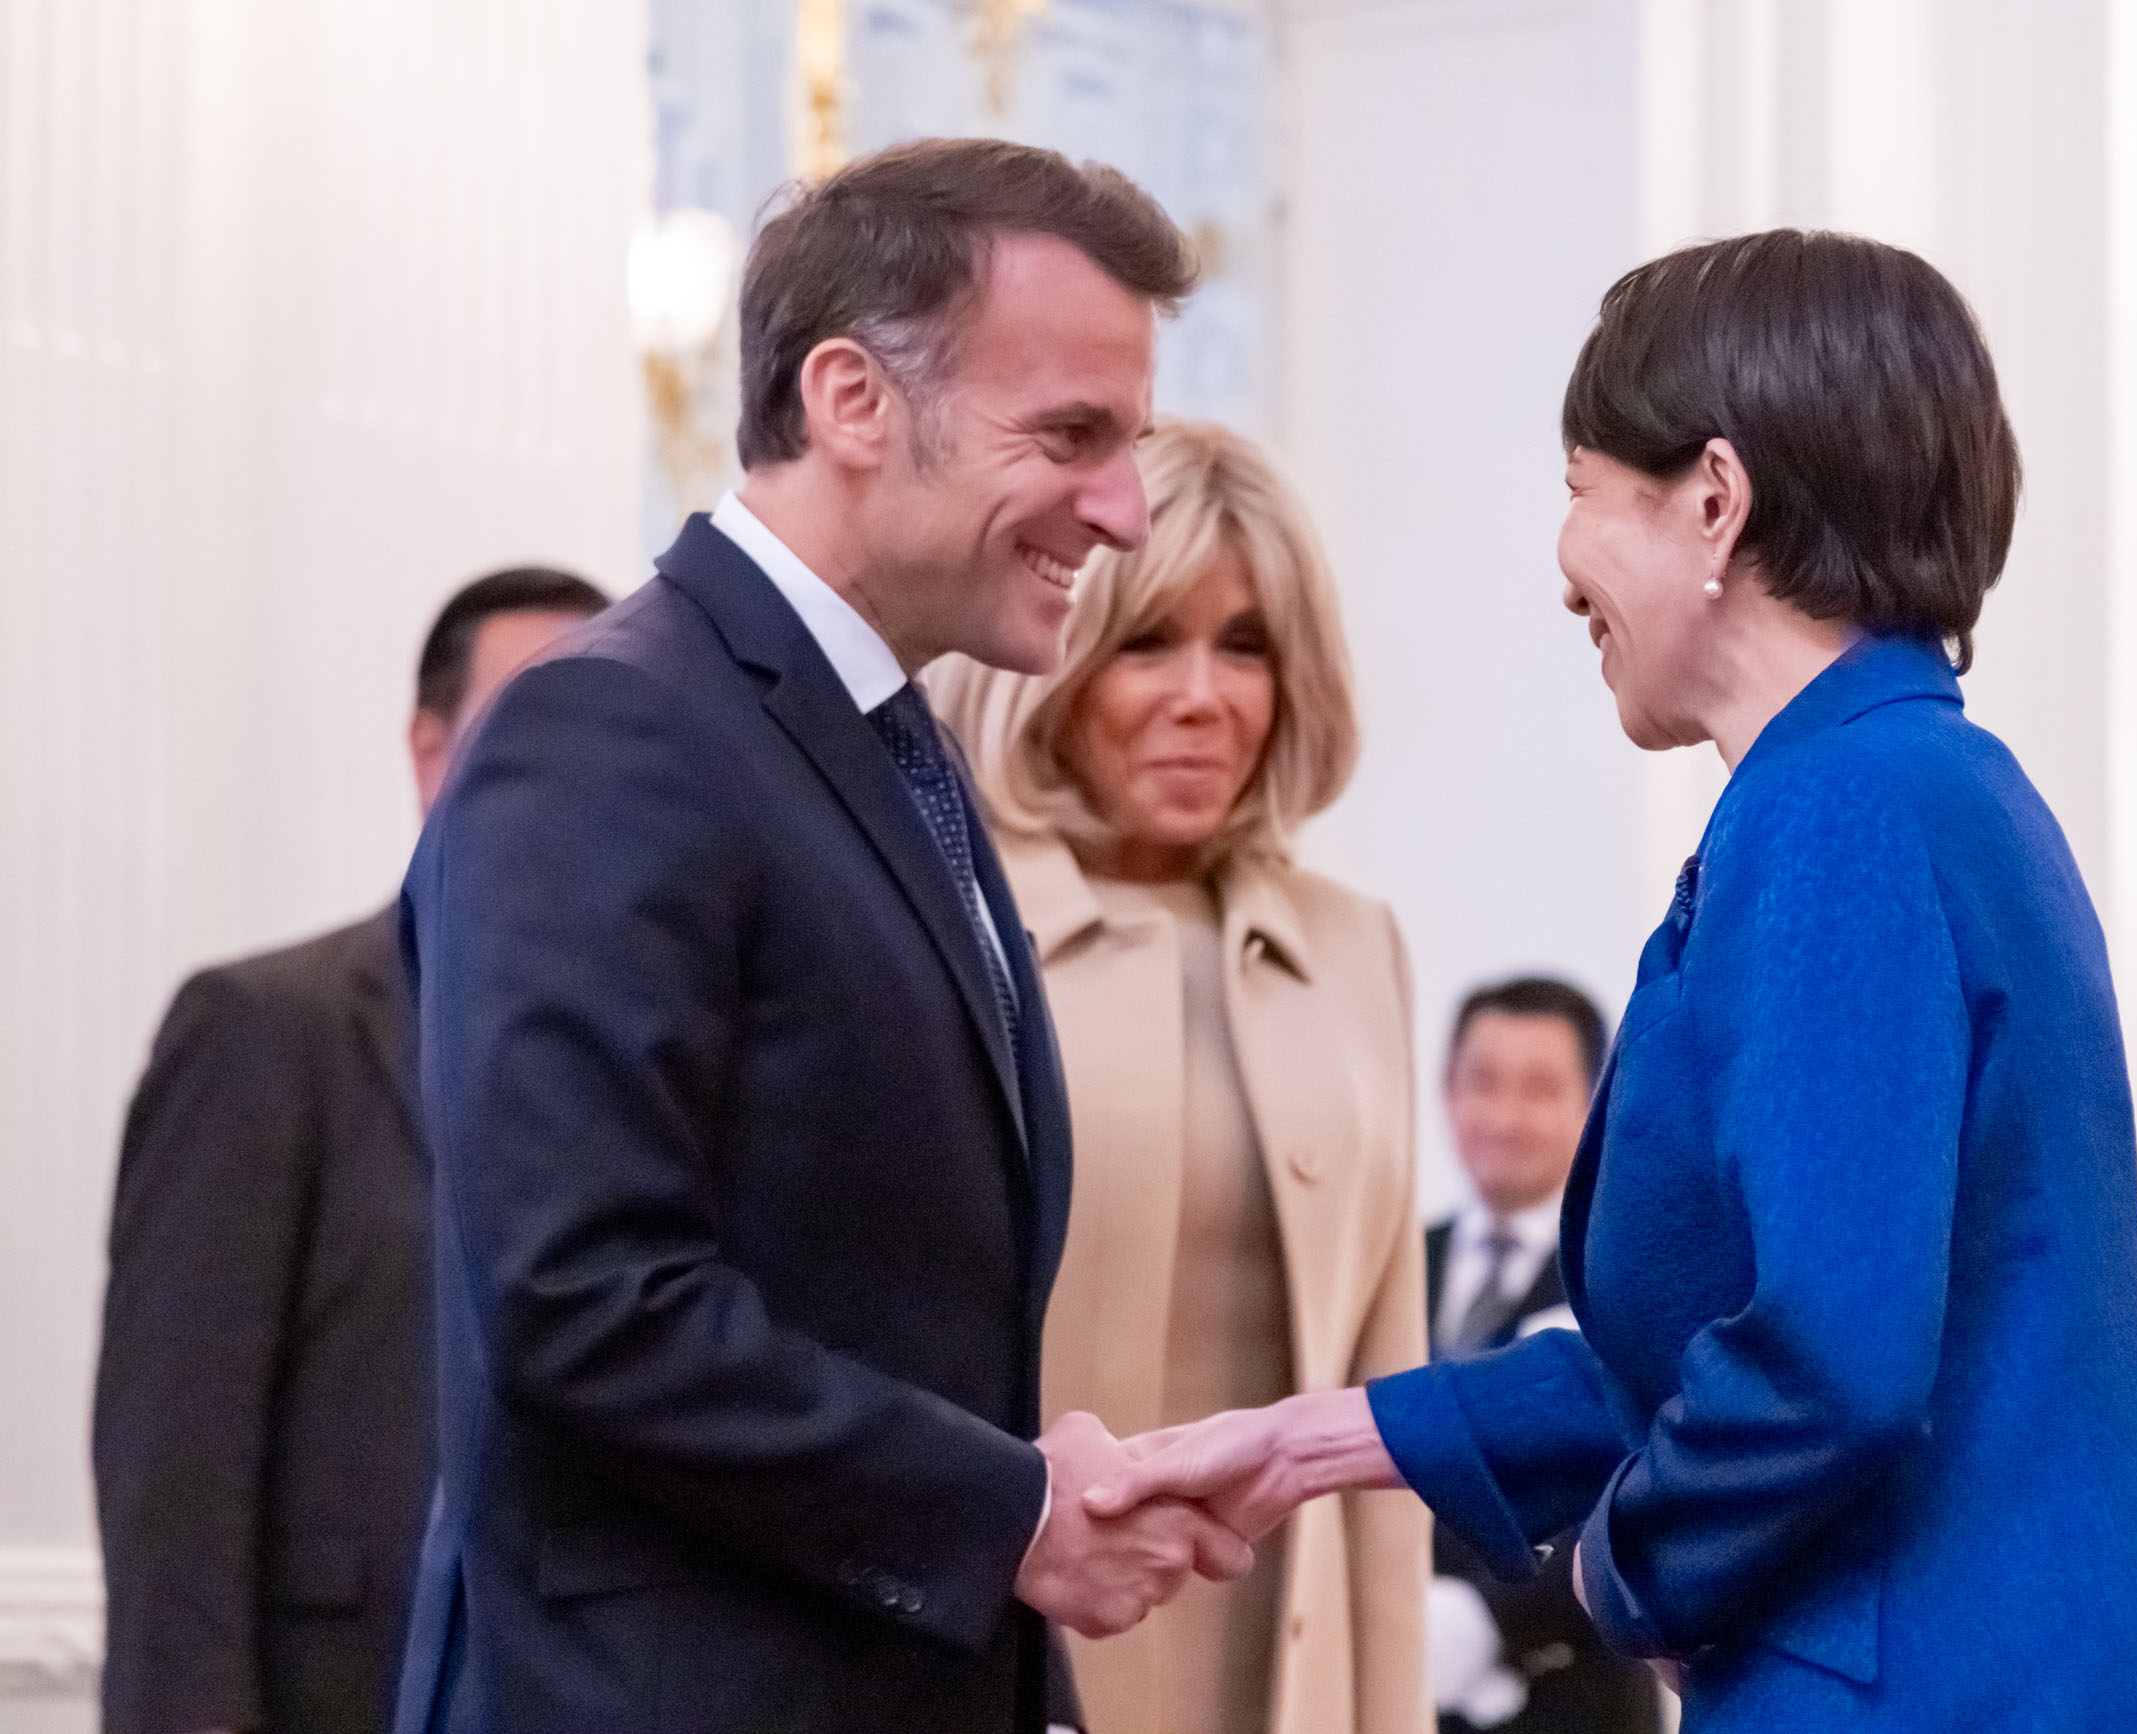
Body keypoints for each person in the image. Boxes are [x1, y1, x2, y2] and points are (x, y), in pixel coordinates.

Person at [1086, 229, 2137, 1730]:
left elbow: (1827, 1364)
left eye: (1581, 493)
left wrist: (1615, 1579)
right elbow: (1689, 1353)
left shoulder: (1841, 809)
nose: (1565, 566)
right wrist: (1306, 1440)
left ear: (1714, 498)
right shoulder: (1921, 781)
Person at [389, 140, 1252, 1734]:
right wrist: (1005, 1513)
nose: (1124, 510)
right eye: (1072, 436)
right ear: (853, 399)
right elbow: (584, 1295)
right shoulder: (611, 730)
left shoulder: (885, 747)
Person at [924, 416, 1428, 1734]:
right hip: (995, 1665)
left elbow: (1386, 1407)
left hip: (1290, 1684)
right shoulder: (942, 931)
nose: (1203, 694)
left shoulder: (1351, 942)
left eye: (1246, 644)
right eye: (1149, 640)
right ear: (1056, 663)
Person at [92, 567, 610, 1734]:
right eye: (522, 725)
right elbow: (177, 1463)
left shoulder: (645, 1064)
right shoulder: (266, 1032)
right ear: (428, 752)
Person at [1423, 978, 1653, 1734]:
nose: (1503, 1117)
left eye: (1540, 1089)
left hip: (1572, 1694)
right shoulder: (1395, 1265)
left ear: (1596, 1101)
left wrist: (1489, 1618)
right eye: (1481, 1082)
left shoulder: (1625, 1281)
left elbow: (1641, 1489)